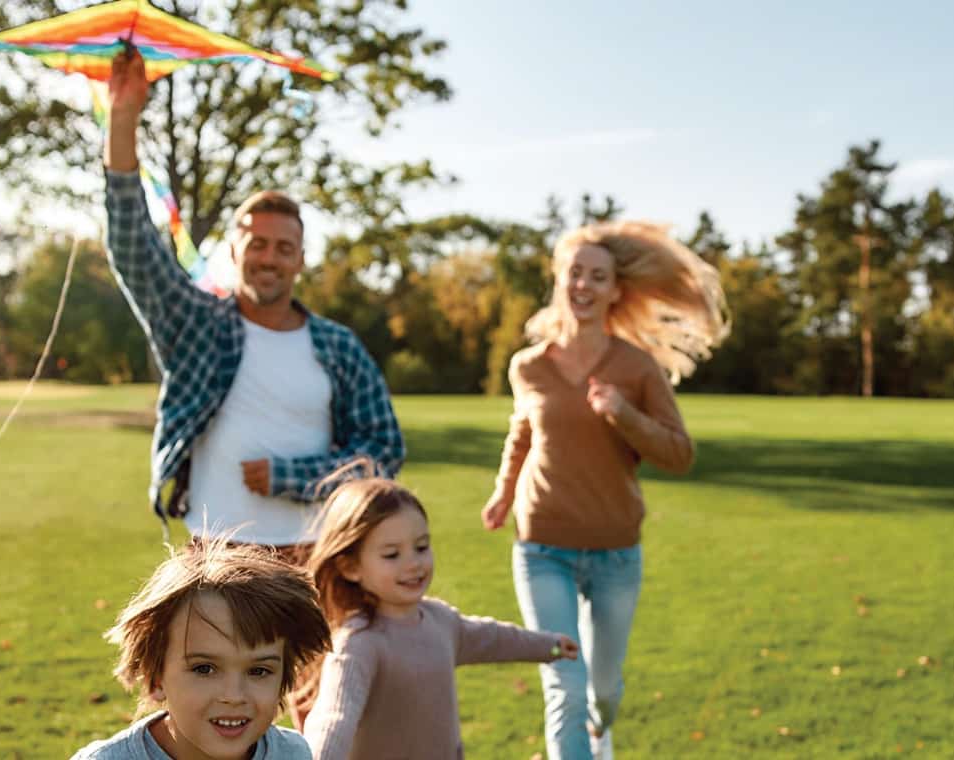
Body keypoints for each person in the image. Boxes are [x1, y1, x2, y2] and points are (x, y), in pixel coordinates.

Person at [101, 48, 403, 557]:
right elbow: (133, 244)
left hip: (319, 552)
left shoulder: (337, 345)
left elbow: (385, 448)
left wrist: (294, 476)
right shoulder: (196, 324)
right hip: (217, 553)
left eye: (283, 248)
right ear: (234, 252)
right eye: (256, 244)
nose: (269, 258)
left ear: (300, 260)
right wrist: (123, 116)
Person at [480, 221, 728, 760]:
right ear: (559, 280)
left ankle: (602, 730)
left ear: (617, 290)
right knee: (563, 684)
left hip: (616, 551)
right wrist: (503, 493)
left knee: (603, 690)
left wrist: (624, 415)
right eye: (575, 273)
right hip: (542, 546)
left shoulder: (635, 367)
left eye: (599, 276)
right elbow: (522, 433)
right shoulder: (529, 365)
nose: (584, 286)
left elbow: (679, 453)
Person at [295, 475, 578, 759]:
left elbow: (495, 638)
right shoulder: (359, 644)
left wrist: (549, 645)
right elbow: (334, 718)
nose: (413, 563)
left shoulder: (441, 620)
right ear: (350, 567)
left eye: (421, 547)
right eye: (392, 554)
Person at [72, 539, 332, 760]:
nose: (233, 696)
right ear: (155, 676)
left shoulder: (292, 753)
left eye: (259, 671)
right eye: (204, 669)